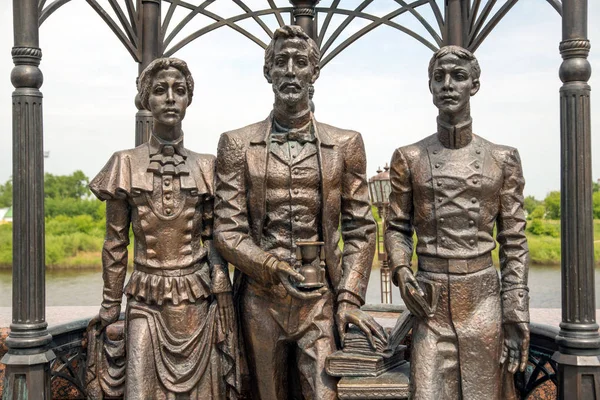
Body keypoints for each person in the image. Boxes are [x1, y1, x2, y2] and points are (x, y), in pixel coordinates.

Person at [214, 25, 385, 400]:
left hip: (319, 301)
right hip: (260, 299)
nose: (290, 70)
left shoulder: (346, 144)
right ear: (268, 72)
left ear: (314, 72)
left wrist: (350, 298)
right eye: (281, 62)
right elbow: (227, 230)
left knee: (324, 394)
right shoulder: (236, 144)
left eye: (300, 62)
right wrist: (270, 266)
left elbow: (361, 229)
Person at [89, 57, 239, 399]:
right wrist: (111, 305)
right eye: (160, 90)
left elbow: (215, 236)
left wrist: (222, 287)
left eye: (179, 90)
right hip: (146, 295)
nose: (170, 98)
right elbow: (115, 244)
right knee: (140, 386)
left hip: (197, 298)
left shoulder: (206, 165)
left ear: (188, 100)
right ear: (146, 99)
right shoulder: (124, 163)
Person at [385, 45, 530, 400]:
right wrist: (403, 273)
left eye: (459, 76)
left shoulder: (502, 159)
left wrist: (514, 311)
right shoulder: (410, 157)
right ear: (430, 86)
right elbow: (396, 228)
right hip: (430, 303)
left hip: (483, 301)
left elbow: (515, 242)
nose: (448, 85)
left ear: (474, 85)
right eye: (439, 77)